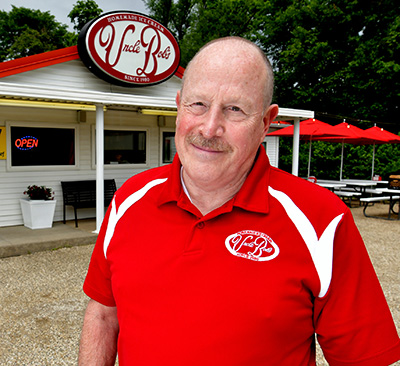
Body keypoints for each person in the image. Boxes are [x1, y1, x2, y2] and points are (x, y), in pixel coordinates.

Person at [78, 37, 400, 365]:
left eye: (234, 109)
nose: (210, 127)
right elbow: (104, 314)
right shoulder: (130, 198)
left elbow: (364, 358)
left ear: (264, 123)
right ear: (179, 107)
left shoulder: (321, 220)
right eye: (198, 104)